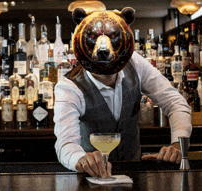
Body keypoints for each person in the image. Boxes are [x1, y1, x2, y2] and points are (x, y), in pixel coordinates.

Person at [54, 7, 192, 179]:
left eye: (113, 38)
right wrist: (80, 159)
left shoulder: (136, 64)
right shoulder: (68, 86)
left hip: (134, 173)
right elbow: (65, 143)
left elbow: (176, 103)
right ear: (84, 43)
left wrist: (177, 145)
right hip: (90, 179)